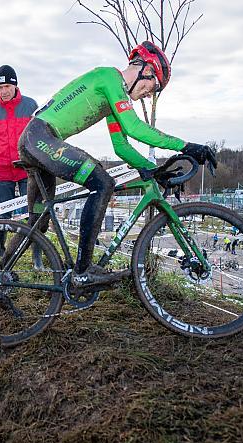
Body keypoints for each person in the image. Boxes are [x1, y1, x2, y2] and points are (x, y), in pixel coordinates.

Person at [17, 41, 218, 288]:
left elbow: (120, 146)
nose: (149, 93)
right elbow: (134, 127)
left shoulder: (115, 94)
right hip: (39, 137)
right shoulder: (109, 78)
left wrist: (152, 170)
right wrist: (185, 146)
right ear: (145, 69)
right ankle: (83, 271)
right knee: (102, 183)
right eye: (153, 86)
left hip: (37, 141)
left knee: (37, 221)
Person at [0, 65, 38, 254]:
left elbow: (39, 136)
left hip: (26, 169)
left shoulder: (30, 106)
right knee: (2, 212)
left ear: (15, 85)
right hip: (2, 171)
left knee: (33, 212)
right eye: (0, 87)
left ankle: (36, 251)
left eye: (7, 87)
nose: (3, 91)